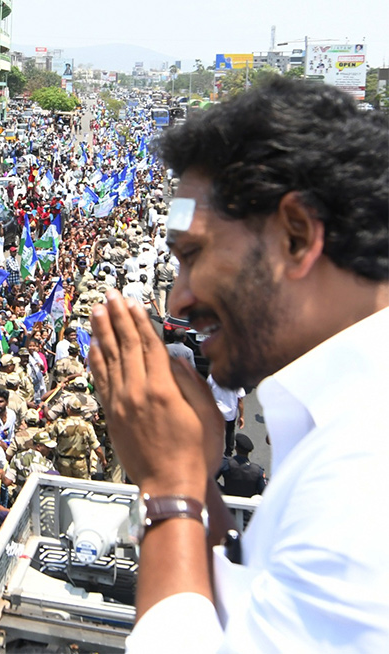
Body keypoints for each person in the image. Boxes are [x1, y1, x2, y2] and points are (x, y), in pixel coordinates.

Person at [87, 78, 389, 651]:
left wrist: (170, 485)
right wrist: (199, 480)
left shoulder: (367, 473)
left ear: (296, 236)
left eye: (193, 255)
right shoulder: (341, 433)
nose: (176, 300)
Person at [216, 433, 267, 498]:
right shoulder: (258, 471)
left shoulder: (226, 464)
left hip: (228, 503)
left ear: (236, 448)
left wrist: (223, 490)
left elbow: (211, 480)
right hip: (247, 506)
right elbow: (264, 492)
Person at [207, 374, 245, 457]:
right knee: (230, 431)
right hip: (230, 412)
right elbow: (240, 400)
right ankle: (228, 453)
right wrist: (241, 416)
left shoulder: (213, 376)